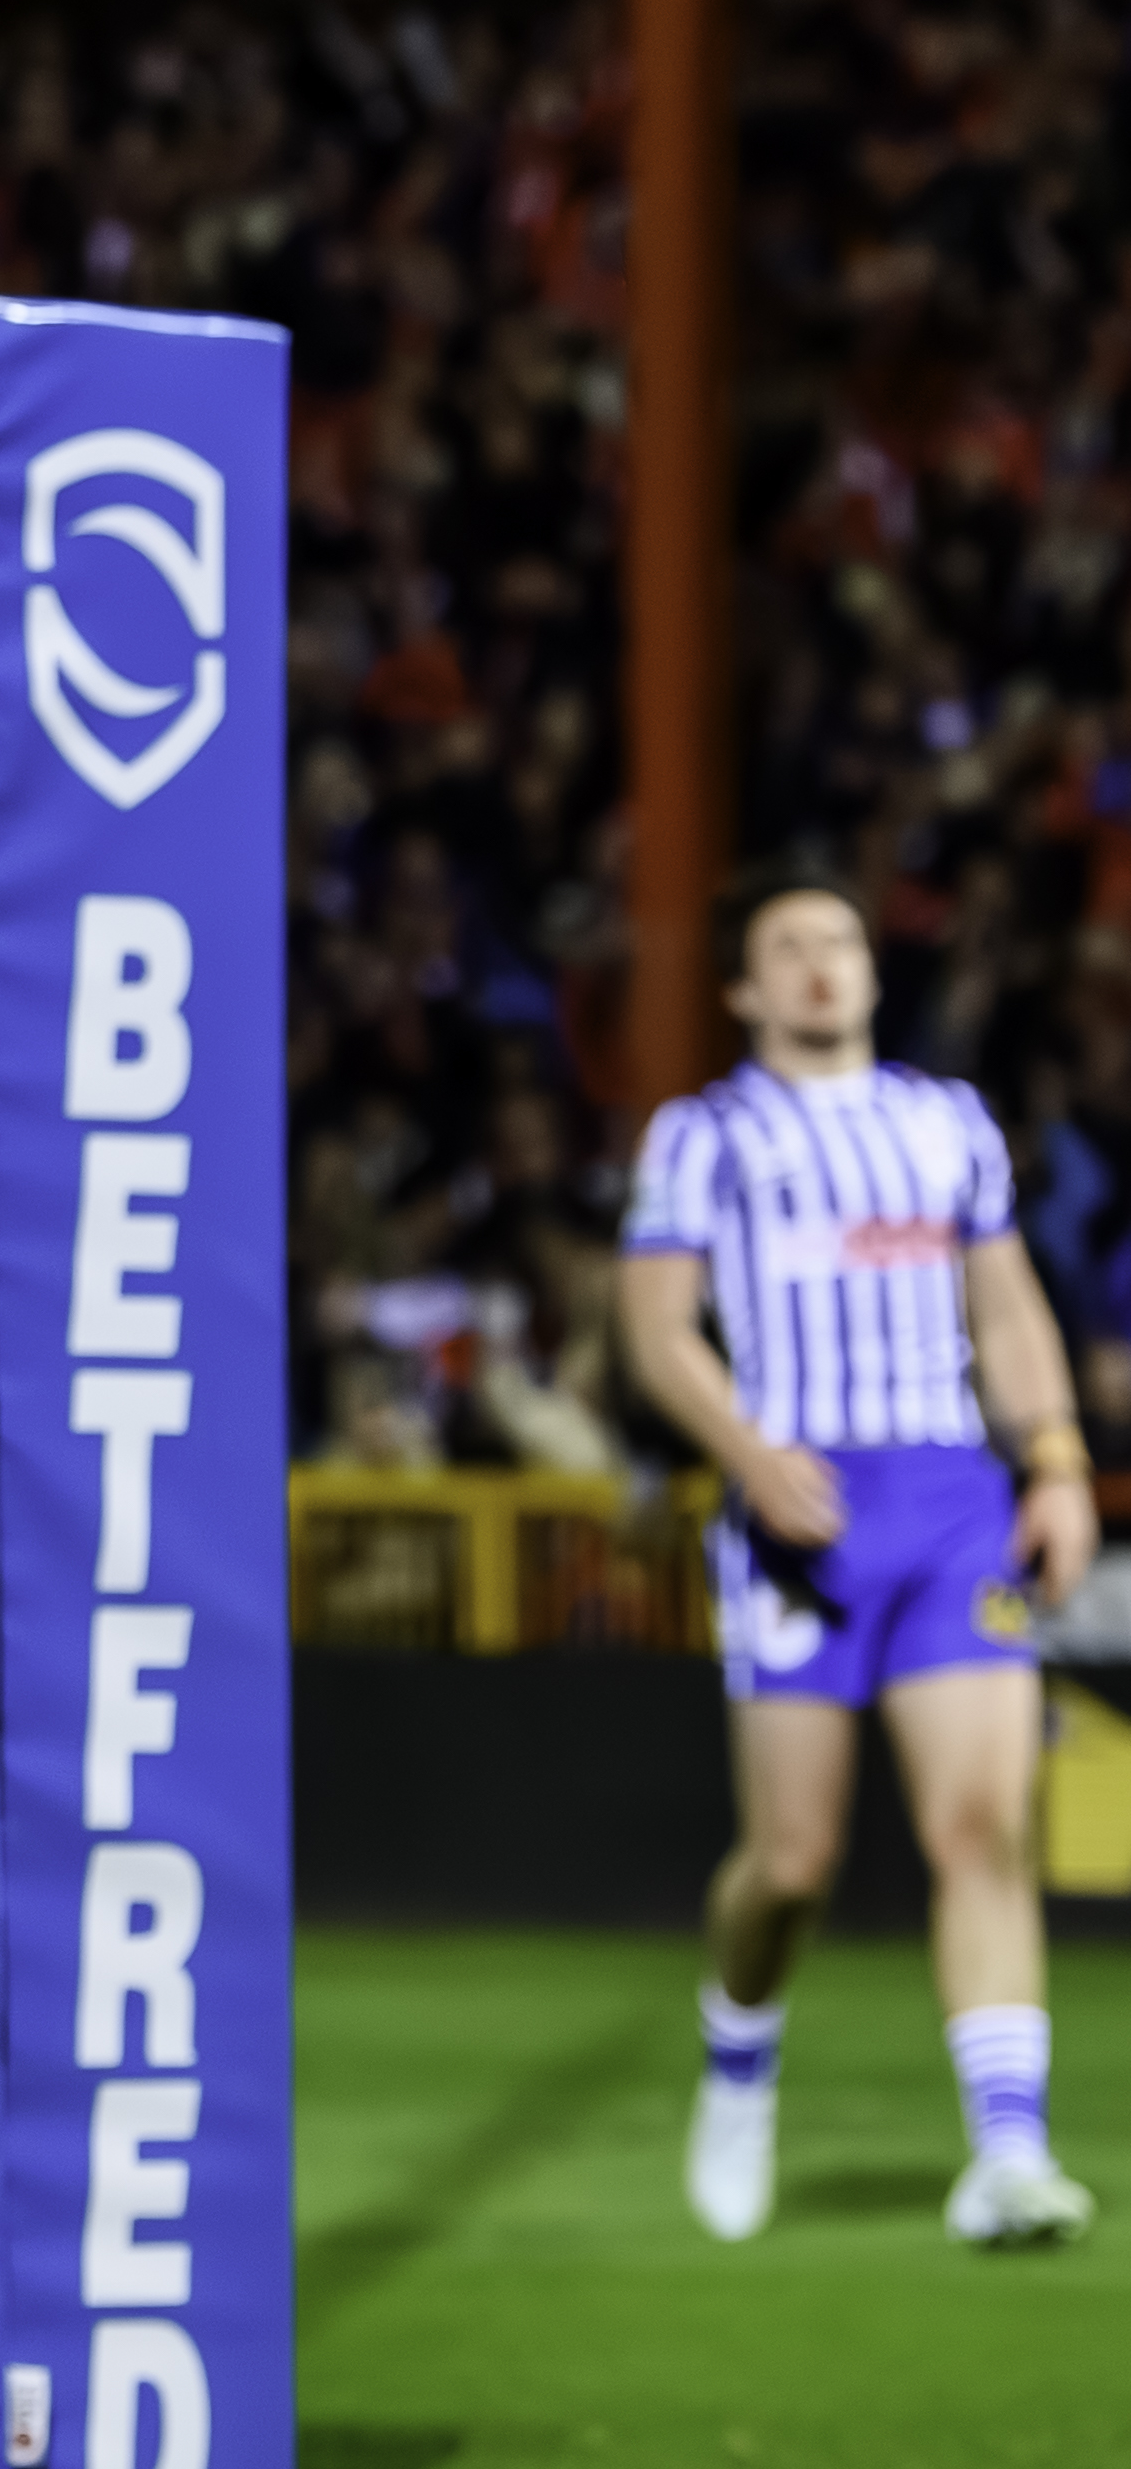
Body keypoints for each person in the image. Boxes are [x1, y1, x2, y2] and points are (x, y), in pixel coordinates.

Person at [621, 875, 1101, 2251]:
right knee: (792, 1859)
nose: (822, 967)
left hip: (951, 1501)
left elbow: (1004, 1306)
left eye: (839, 941)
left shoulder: (943, 1123)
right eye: (789, 949)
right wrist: (748, 1449)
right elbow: (657, 1327)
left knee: (980, 1830)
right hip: (802, 1510)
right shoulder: (702, 1136)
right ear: (744, 991)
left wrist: (1057, 1460)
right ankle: (740, 2051)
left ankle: (1008, 2155)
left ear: (872, 972)